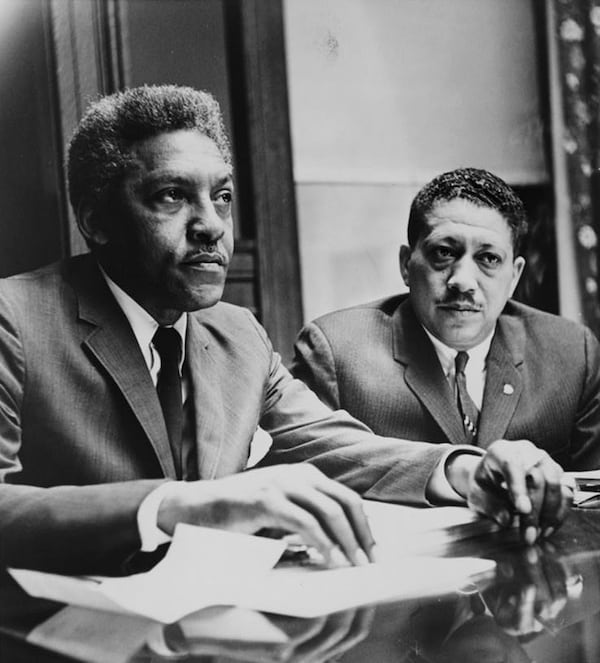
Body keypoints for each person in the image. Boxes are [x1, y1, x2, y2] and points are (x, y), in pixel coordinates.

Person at [0, 91, 568, 577]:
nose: (213, 225)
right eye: (171, 195)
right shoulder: (16, 318)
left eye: (222, 196)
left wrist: (468, 470)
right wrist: (177, 506)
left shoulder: (235, 333)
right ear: (95, 219)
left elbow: (337, 445)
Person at [292, 167, 598, 497]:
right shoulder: (336, 351)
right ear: (406, 264)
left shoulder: (572, 353)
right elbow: (301, 483)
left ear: (514, 276)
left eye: (489, 258)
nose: (463, 281)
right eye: (444, 253)